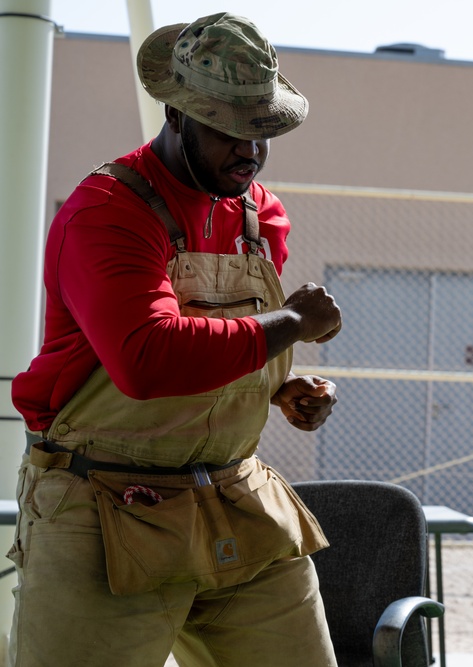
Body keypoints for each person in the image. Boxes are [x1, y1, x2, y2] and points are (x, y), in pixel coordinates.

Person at [9, 13, 343, 666]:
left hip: (235, 499)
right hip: (104, 506)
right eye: (228, 128)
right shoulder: (110, 212)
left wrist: (279, 386)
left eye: (261, 130)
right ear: (176, 111)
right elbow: (148, 359)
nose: (248, 149)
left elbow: (229, 342)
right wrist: (292, 324)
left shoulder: (258, 217)